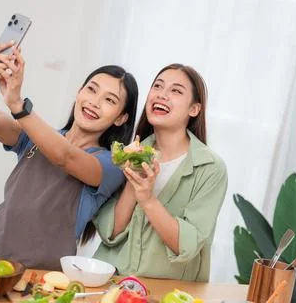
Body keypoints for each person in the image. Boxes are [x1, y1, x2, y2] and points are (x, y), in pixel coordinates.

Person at [0, 42, 138, 270]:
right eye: (92, 89)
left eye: (109, 100)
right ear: (79, 92)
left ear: (121, 118)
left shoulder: (110, 165)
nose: (94, 102)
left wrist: (18, 105)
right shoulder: (38, 138)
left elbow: (65, 157)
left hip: (42, 278)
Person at [93, 64, 227, 282]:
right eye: (158, 86)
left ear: (194, 109)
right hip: (111, 282)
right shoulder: (127, 153)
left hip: (167, 292)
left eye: (176, 91)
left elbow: (186, 246)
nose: (162, 95)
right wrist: (132, 180)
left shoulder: (210, 168)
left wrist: (147, 199)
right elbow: (112, 234)